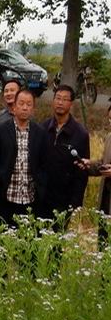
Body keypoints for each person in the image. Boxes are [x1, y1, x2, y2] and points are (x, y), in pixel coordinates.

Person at [0, 89, 48, 227]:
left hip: (30, 198)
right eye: (21, 103)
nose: (25, 107)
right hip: (6, 197)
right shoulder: (1, 129)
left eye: (29, 104)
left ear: (33, 109)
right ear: (14, 107)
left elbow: (44, 164)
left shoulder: (40, 132)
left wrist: (41, 188)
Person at [39, 85, 89, 222]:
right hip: (41, 197)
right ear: (53, 101)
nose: (60, 102)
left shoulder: (80, 134)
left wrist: (75, 203)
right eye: (58, 98)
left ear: (71, 104)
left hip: (64, 199)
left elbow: (82, 172)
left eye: (65, 99)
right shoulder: (43, 128)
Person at [77, 104, 111, 247]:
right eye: (110, 119)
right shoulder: (109, 137)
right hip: (106, 198)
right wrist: (89, 165)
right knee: (103, 242)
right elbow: (104, 164)